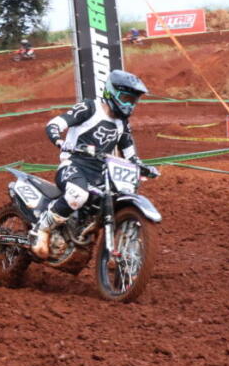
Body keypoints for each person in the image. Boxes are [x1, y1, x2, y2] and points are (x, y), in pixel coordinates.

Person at [30, 69, 160, 259]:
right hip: (73, 165)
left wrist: (143, 167)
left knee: (114, 199)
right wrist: (59, 140)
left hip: (101, 175)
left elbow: (131, 156)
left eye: (133, 101)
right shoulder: (89, 108)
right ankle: (41, 229)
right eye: (125, 98)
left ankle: (83, 235)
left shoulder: (122, 123)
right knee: (78, 194)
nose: (129, 105)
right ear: (111, 92)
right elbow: (55, 124)